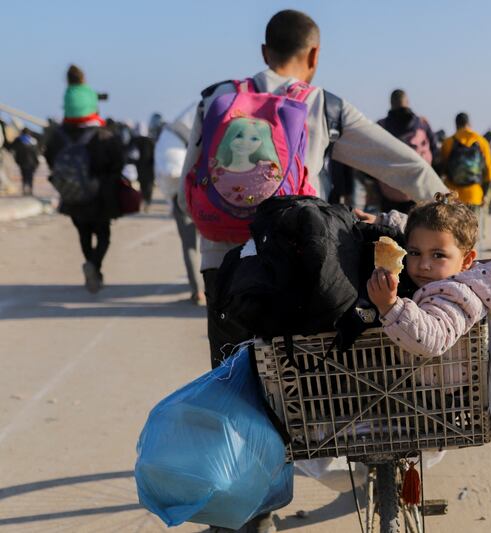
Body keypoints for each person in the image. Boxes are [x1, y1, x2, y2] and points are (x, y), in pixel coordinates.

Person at [178, 10, 446, 366]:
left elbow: (187, 185)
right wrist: (451, 214)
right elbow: (404, 165)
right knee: (299, 388)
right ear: (315, 54)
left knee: (231, 377)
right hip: (298, 261)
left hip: (220, 260)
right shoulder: (322, 104)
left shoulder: (216, 98)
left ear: (264, 51)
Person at [366, 193, 491, 381]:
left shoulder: (456, 294)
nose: (423, 264)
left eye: (437, 256)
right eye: (414, 252)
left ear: (467, 260)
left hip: (436, 399)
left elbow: (430, 340)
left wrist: (389, 306)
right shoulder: (454, 278)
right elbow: (414, 231)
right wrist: (383, 220)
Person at [45, 76, 124, 294]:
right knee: (104, 235)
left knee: (83, 233)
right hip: (100, 195)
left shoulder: (57, 137)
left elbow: (51, 161)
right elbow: (118, 164)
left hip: (72, 195)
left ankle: (91, 264)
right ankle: (95, 266)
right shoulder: (104, 135)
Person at [154, 106, 204, 305]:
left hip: (179, 194)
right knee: (213, 243)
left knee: (189, 245)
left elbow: (166, 175)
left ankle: (197, 291)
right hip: (201, 192)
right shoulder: (195, 122)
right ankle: (212, 287)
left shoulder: (166, 139)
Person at [375, 89, 438, 213]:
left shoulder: (381, 126)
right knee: (414, 228)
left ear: (391, 103)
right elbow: (435, 152)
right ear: (407, 102)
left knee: (389, 227)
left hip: (388, 190)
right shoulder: (422, 124)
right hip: (417, 188)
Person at [439, 113, 491, 212]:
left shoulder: (448, 142)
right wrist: (485, 195)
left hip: (452, 196)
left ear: (456, 125)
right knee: (472, 227)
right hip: (474, 195)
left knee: (452, 227)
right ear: (469, 123)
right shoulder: (482, 142)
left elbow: (440, 169)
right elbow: (489, 174)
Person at [130, 123, 156, 211]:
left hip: (139, 168)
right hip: (149, 168)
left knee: (142, 185)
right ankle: (147, 202)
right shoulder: (151, 141)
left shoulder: (134, 141)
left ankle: (143, 201)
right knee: (148, 186)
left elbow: (131, 155)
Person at [10, 128, 40, 196]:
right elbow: (36, 153)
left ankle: (24, 190)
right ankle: (30, 190)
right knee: (30, 176)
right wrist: (37, 162)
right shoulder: (33, 141)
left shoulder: (18, 140)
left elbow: (11, 147)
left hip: (22, 161)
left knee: (24, 176)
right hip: (32, 162)